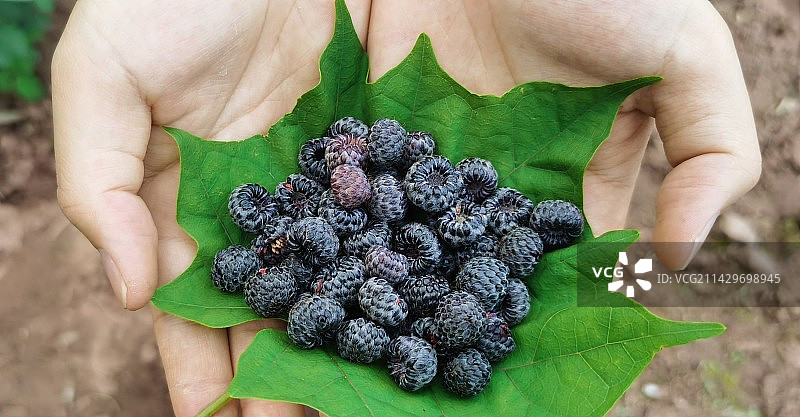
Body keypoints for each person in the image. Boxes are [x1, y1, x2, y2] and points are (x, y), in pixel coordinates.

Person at [51, 1, 761, 416]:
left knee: (689, 276)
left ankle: (755, 286)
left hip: (427, 271)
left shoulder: (447, 236)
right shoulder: (342, 224)